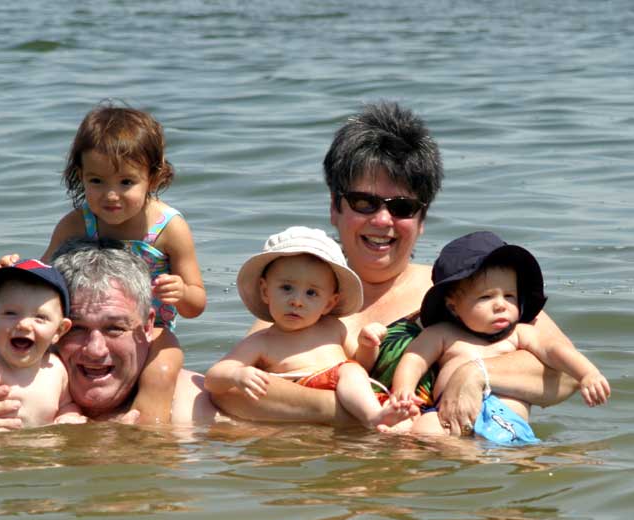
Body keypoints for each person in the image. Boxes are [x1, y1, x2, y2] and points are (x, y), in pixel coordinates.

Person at [210, 101, 579, 433]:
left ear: (422, 219)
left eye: (402, 207)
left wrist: (476, 372)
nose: (383, 220)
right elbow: (229, 394)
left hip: (443, 474)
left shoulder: (458, 290)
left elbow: (564, 377)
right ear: (335, 208)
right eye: (363, 202)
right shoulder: (292, 302)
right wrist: (357, 412)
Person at [0, 102, 206, 422]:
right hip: (80, 325)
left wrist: (181, 292)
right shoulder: (76, 223)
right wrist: (15, 272)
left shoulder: (169, 227)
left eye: (126, 182)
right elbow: (44, 279)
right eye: (97, 181)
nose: (111, 195)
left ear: (154, 178)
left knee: (163, 371)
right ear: (80, 176)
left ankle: (147, 429)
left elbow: (197, 304)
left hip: (153, 329)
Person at [0, 238, 220, 430]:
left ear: (148, 325)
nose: (95, 350)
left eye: (115, 328)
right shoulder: (3, 397)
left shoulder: (198, 409)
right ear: (54, 329)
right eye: (78, 328)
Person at [391, 231, 611, 443]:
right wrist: (404, 390)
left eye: (509, 295)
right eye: (486, 297)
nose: (501, 305)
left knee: (514, 450)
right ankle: (459, 456)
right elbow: (414, 358)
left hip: (505, 419)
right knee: (422, 429)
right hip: (447, 415)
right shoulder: (442, 334)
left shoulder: (520, 333)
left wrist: (587, 373)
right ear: (453, 306)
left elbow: (555, 351)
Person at [204, 226, 421, 429]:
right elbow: (213, 378)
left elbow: (362, 363)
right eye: (286, 288)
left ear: (329, 303)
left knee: (398, 415)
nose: (297, 301)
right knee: (349, 370)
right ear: (265, 291)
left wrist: (367, 344)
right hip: (302, 394)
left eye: (311, 293)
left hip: (350, 394)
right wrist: (237, 375)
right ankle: (374, 418)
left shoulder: (333, 328)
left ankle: (381, 420)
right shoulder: (262, 340)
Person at [0, 259, 84, 431]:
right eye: (11, 313)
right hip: (1, 453)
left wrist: (68, 415)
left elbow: (66, 403)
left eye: (40, 317)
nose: (24, 325)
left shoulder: (56, 369)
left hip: (44, 456)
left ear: (59, 330)